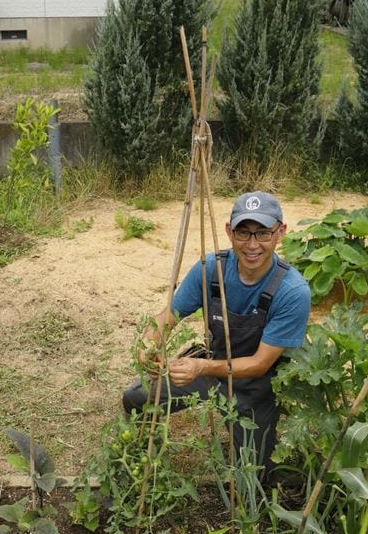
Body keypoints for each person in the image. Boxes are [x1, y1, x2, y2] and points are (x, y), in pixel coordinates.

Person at [122, 191, 311, 481]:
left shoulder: (292, 291)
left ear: (280, 232)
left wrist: (201, 367)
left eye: (263, 233)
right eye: (243, 233)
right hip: (212, 363)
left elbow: (260, 363)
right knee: (137, 398)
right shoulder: (211, 269)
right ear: (229, 231)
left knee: (254, 479)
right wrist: (149, 343)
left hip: (256, 384)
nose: (252, 245)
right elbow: (167, 316)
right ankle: (143, 454)